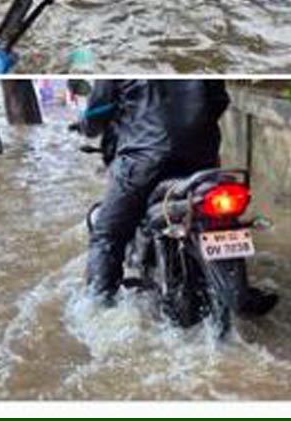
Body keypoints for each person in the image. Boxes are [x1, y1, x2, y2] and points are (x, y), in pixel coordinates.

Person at [76, 80, 230, 304]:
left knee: (107, 235)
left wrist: (83, 124)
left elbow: (95, 117)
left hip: (143, 160)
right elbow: (220, 101)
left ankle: (97, 307)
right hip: (202, 158)